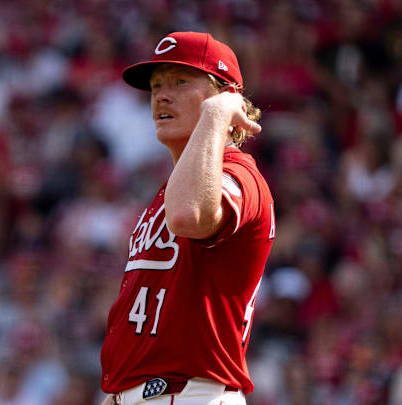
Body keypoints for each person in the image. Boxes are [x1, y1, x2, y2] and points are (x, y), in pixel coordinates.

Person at [100, 32, 276, 405]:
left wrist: (214, 114)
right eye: (156, 86)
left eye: (181, 82)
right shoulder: (170, 188)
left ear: (228, 99)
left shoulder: (239, 175)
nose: (162, 95)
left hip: (191, 394)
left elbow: (188, 216)